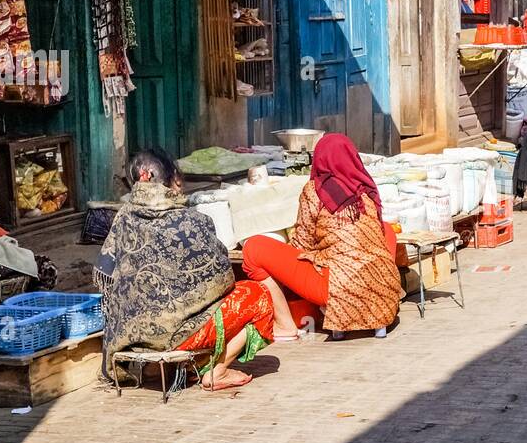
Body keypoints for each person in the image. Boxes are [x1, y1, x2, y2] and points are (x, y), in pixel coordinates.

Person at [98, 149, 275, 391]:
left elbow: (106, 276)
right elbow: (222, 277)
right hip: (178, 335)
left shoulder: (122, 218)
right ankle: (218, 371)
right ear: (176, 181)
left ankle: (152, 369)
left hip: (130, 336)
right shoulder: (192, 220)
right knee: (258, 296)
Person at [241, 134, 402, 340]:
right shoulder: (366, 191)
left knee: (254, 248)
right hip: (384, 286)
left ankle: (285, 325)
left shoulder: (316, 190)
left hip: (336, 286)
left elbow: (302, 243)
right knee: (386, 229)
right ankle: (374, 304)